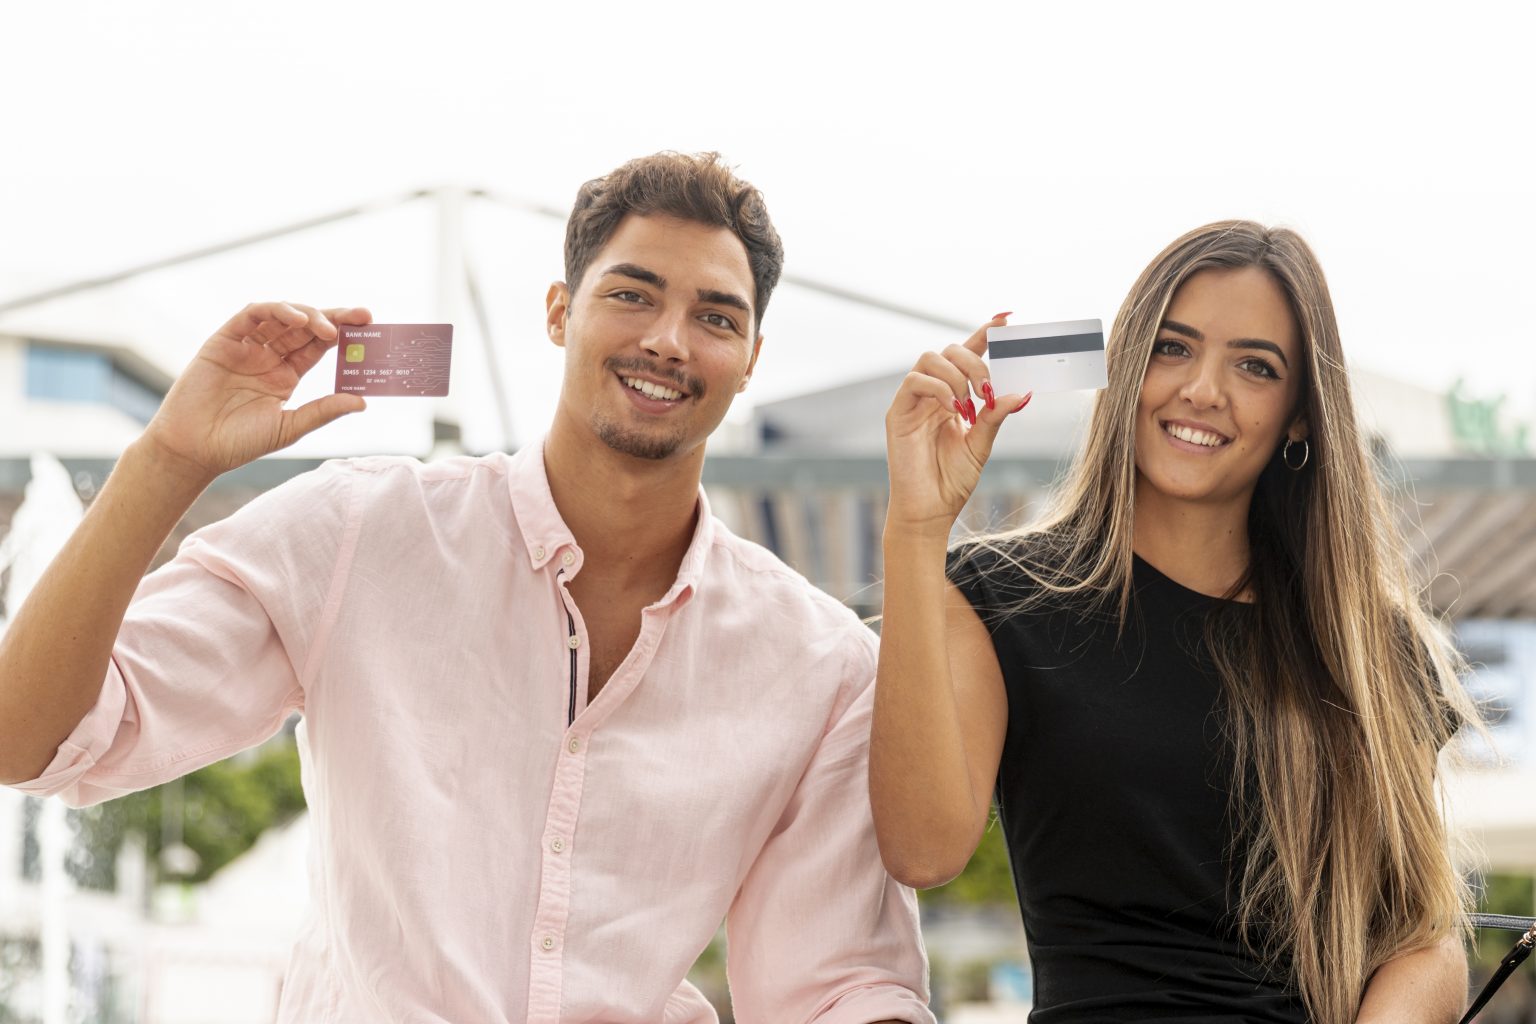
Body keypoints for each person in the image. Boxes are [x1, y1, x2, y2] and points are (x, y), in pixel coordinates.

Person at [0, 152, 933, 1024]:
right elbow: (32, 740)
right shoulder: (358, 533)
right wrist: (166, 461)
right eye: (631, 295)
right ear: (560, 312)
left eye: (716, 317)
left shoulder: (821, 664)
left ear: (753, 355)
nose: (667, 340)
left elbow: (839, 984)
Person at [869, 221, 1478, 1024]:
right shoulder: (1002, 597)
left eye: (1255, 367)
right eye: (1173, 347)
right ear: (1124, 368)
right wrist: (916, 529)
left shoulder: (1369, 647)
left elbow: (1424, 938)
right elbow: (923, 849)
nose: (1203, 390)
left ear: (1300, 416)